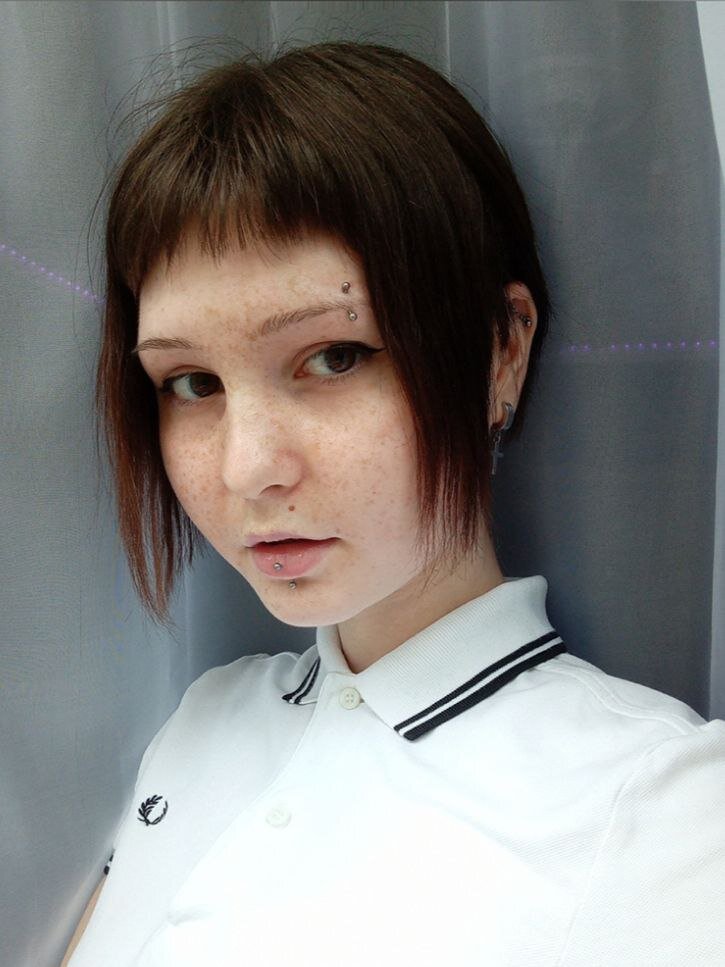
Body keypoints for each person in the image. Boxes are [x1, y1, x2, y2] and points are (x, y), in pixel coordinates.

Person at [63, 39, 725, 967]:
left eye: (334, 357)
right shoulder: (204, 720)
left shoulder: (659, 805)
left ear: (501, 350)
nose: (248, 469)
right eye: (191, 382)